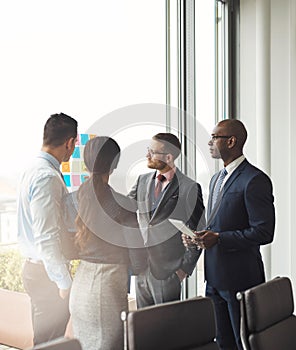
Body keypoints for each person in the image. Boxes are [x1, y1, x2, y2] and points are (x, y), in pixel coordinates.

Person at [183, 119, 275, 350]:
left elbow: (264, 232)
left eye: (215, 137)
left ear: (231, 141)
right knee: (222, 342)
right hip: (213, 279)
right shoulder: (216, 179)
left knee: (243, 342)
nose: (210, 142)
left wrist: (220, 238)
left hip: (241, 279)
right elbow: (216, 223)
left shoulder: (255, 180)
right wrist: (197, 237)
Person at [69, 136, 146, 350]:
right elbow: (137, 250)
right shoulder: (122, 204)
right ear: (114, 166)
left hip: (82, 282)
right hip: (108, 284)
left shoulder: (75, 197)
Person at [17, 113, 78, 345]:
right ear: (69, 142)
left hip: (37, 270)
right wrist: (63, 282)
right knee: (50, 343)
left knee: (45, 340)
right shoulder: (47, 177)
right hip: (47, 275)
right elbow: (46, 237)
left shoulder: (32, 168)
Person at [128, 132, 205, 308]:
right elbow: (125, 208)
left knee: (166, 328)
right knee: (143, 326)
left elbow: (198, 231)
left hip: (169, 272)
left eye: (152, 151)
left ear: (169, 157)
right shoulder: (142, 180)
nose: (147, 155)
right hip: (141, 268)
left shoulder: (189, 188)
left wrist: (183, 270)